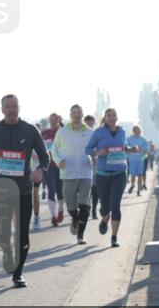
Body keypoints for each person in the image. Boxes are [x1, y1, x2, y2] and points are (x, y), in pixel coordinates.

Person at [0, 95, 48, 287]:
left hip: (23, 191)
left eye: (14, 106)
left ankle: (18, 273)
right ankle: (7, 252)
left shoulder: (30, 130)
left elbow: (45, 157)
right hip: (0, 191)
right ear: (2, 110)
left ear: (19, 107)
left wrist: (40, 171)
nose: (11, 109)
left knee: (22, 233)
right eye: (8, 107)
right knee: (2, 235)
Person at [85, 108, 140, 248]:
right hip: (102, 175)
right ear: (105, 118)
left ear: (117, 117)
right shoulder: (98, 132)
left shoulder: (122, 131)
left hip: (120, 173)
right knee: (105, 207)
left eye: (113, 115)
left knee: (115, 204)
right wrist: (99, 152)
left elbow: (123, 147)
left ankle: (114, 237)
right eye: (108, 115)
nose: (111, 117)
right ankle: (105, 219)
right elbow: (88, 149)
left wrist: (131, 149)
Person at [52, 105, 94, 244]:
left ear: (82, 114)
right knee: (70, 205)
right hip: (68, 172)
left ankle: (80, 235)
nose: (76, 115)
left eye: (78, 112)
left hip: (85, 172)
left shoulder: (90, 132)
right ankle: (75, 218)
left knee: (84, 204)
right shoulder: (62, 132)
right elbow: (54, 149)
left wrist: (93, 157)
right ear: (70, 115)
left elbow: (95, 149)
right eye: (74, 112)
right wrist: (59, 160)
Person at [42, 113, 65, 226]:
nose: (53, 121)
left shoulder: (62, 132)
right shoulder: (44, 133)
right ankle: (53, 216)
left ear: (58, 120)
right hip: (49, 166)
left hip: (60, 165)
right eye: (51, 119)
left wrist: (62, 123)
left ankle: (60, 210)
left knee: (60, 191)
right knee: (51, 190)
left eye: (55, 119)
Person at [126, 125, 149, 195]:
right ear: (133, 131)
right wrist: (130, 150)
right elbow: (126, 148)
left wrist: (141, 149)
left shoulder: (143, 139)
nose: (136, 131)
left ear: (140, 130)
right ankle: (132, 185)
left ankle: (138, 190)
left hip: (140, 160)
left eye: (137, 130)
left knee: (140, 175)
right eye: (135, 130)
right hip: (132, 160)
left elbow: (146, 149)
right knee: (132, 175)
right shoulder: (129, 139)